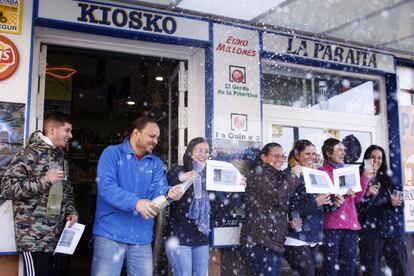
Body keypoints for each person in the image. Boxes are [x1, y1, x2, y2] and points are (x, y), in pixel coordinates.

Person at [91, 116, 183, 276]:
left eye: (158, 138)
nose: (156, 141)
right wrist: (136, 202)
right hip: (109, 235)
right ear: (136, 133)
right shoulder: (112, 154)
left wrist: (168, 193)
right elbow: (106, 188)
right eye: (152, 136)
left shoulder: (155, 163)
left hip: (142, 238)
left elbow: (157, 191)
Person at [1, 111, 78, 276]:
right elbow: (8, 188)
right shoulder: (29, 154)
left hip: (55, 237)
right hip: (33, 239)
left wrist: (71, 211)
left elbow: (67, 190)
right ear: (52, 129)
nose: (70, 135)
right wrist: (45, 180)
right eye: (67, 130)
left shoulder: (60, 157)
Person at [240, 142, 299, 276]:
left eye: (282, 156)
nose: (280, 159)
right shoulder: (258, 175)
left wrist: (291, 220)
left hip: (273, 240)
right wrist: (294, 177)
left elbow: (279, 207)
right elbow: (277, 197)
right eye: (276, 156)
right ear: (264, 157)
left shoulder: (280, 176)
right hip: (261, 240)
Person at [319, 138, 369, 276]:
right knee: (331, 269)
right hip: (331, 228)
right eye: (339, 150)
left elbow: (357, 198)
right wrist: (341, 195)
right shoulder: (322, 172)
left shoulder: (347, 171)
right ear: (329, 153)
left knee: (349, 269)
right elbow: (324, 200)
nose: (343, 153)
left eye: (344, 150)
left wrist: (364, 177)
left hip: (350, 227)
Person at [283, 139, 333, 276]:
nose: (312, 157)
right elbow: (289, 206)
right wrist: (315, 203)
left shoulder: (316, 174)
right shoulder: (290, 174)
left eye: (314, 153)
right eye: (307, 153)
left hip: (315, 234)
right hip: (297, 235)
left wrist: (333, 203)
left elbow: (323, 206)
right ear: (297, 154)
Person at [357, 145, 408, 275]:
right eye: (372, 157)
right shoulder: (359, 178)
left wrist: (396, 203)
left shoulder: (388, 178)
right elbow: (355, 207)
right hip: (370, 234)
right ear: (366, 159)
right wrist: (366, 194)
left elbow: (400, 204)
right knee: (371, 271)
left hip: (393, 232)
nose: (376, 160)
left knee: (401, 270)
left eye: (379, 157)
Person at [164, 137, 210, 276]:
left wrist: (236, 187)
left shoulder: (210, 176)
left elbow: (221, 205)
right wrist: (180, 178)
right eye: (200, 150)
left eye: (207, 151)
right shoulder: (178, 170)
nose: (203, 154)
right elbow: (165, 187)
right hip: (179, 236)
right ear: (190, 152)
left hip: (201, 237)